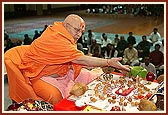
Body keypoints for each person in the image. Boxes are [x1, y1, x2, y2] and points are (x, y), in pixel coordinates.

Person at [16, 14, 130, 105]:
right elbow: (80, 59)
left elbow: (76, 59)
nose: (79, 34)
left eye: (82, 32)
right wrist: (108, 62)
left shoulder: (64, 33)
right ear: (66, 25)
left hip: (62, 71)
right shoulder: (56, 38)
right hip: (40, 76)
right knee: (57, 96)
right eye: (77, 30)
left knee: (88, 76)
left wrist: (103, 64)